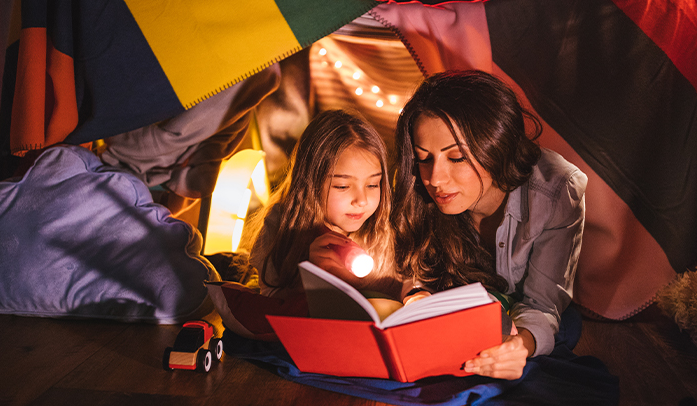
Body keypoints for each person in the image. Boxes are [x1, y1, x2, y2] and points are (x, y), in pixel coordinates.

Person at [392, 70, 587, 380]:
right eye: (423, 157)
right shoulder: (416, 185)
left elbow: (542, 304)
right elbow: (411, 269)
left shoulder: (557, 190)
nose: (435, 178)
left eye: (456, 158)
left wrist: (517, 347)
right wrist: (418, 300)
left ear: (496, 146)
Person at [244, 109, 399, 300]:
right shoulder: (283, 223)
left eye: (373, 184)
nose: (362, 200)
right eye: (342, 186)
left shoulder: (385, 227)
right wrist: (309, 278)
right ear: (310, 183)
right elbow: (271, 299)